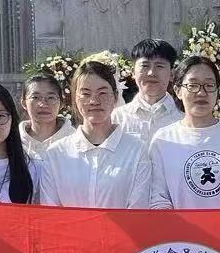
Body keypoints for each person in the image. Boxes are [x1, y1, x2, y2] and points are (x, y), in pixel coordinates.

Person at [148, 56, 220, 209]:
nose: (201, 92)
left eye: (209, 85)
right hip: (176, 225)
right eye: (193, 85)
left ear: (217, 91)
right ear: (178, 90)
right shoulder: (163, 140)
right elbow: (157, 197)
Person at [40, 59, 151, 208]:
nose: (94, 101)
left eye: (102, 93)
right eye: (85, 94)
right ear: (74, 98)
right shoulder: (56, 154)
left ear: (115, 96)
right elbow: (50, 212)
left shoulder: (136, 151)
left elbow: (138, 210)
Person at [111, 38, 180, 139]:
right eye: (145, 66)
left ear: (172, 74)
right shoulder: (117, 118)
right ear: (133, 72)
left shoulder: (183, 119)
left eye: (159, 66)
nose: (151, 73)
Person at [18, 72, 76, 157]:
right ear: (24, 103)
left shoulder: (75, 140)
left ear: (61, 103)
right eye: (35, 97)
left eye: (51, 97)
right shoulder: (15, 141)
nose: (43, 104)